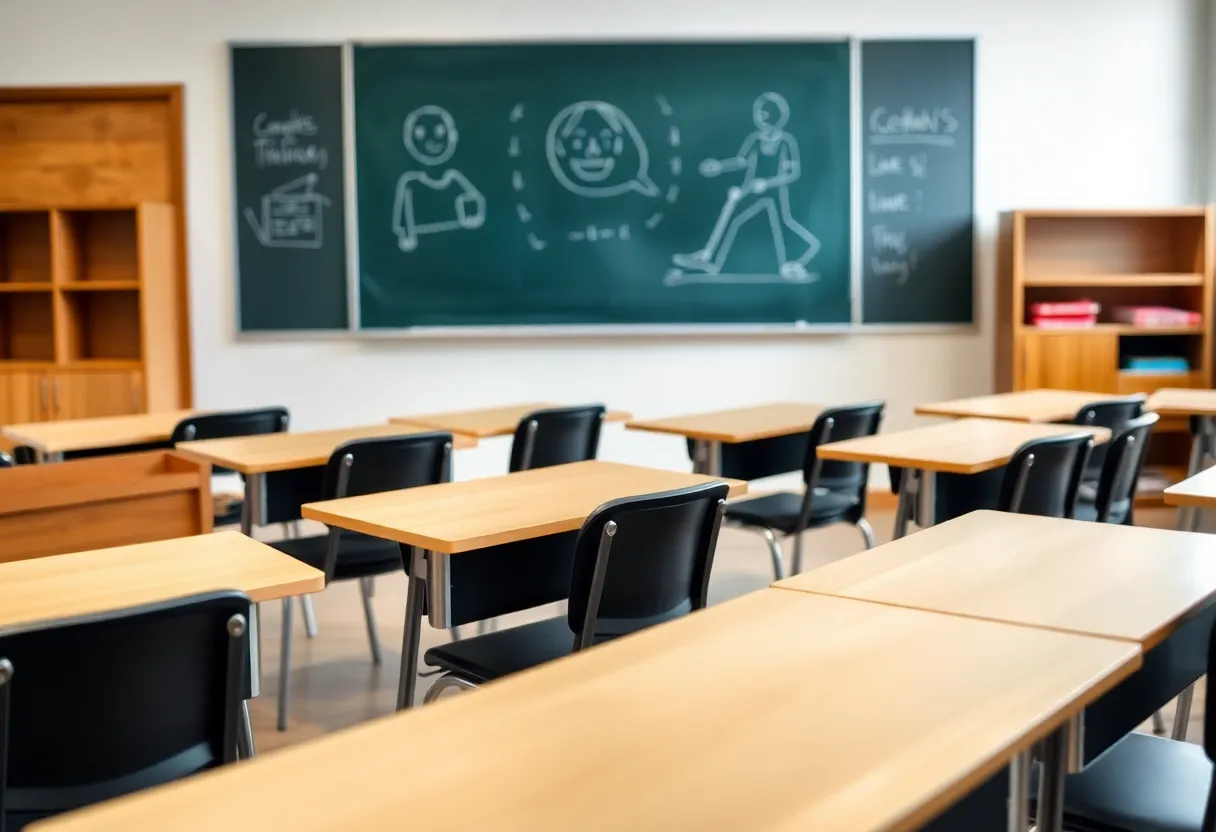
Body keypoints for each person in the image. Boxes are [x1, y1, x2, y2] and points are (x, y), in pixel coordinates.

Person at [673, 92, 819, 279]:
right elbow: (741, 160)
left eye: (764, 114)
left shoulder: (785, 142)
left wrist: (766, 183)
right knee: (732, 213)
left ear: (776, 117)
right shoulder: (756, 139)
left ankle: (802, 255)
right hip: (752, 189)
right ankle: (708, 257)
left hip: (772, 192)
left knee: (784, 224)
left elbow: (792, 173)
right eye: (759, 114)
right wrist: (719, 166)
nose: (760, 118)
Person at [392, 105, 486, 252]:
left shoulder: (454, 178)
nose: (431, 141)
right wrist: (406, 237)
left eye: (440, 132)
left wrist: (473, 216)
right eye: (420, 134)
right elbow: (403, 223)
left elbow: (477, 204)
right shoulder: (411, 183)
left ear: (453, 136)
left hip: (462, 250)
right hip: (422, 257)